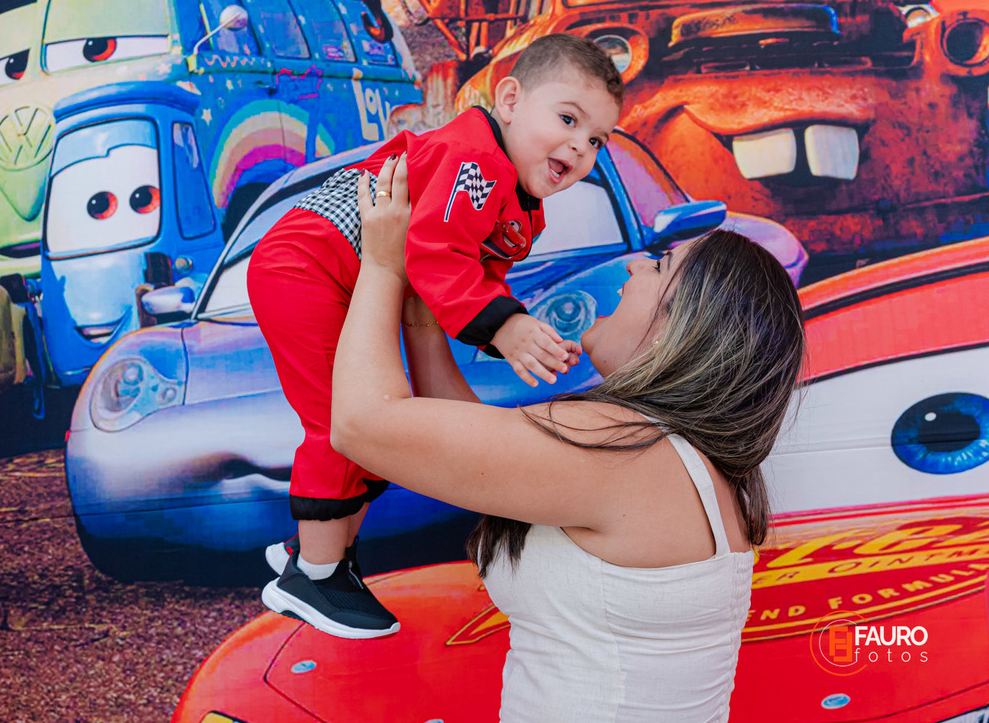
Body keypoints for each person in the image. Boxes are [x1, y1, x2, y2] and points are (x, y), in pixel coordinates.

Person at [331, 156, 806, 720]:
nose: (636, 268)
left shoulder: (625, 450)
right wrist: (422, 302)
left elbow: (362, 424)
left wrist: (382, 265)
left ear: (683, 328)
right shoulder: (679, 460)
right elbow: (470, 451)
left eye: (659, 266)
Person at [247, 33, 625, 639]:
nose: (581, 146)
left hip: (344, 280)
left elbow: (473, 273)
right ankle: (314, 575)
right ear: (509, 100)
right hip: (306, 267)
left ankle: (320, 552)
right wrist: (505, 324)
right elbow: (437, 256)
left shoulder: (520, 203)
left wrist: (510, 330)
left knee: (379, 431)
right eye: (568, 119)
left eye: (598, 140)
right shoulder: (475, 161)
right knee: (348, 422)